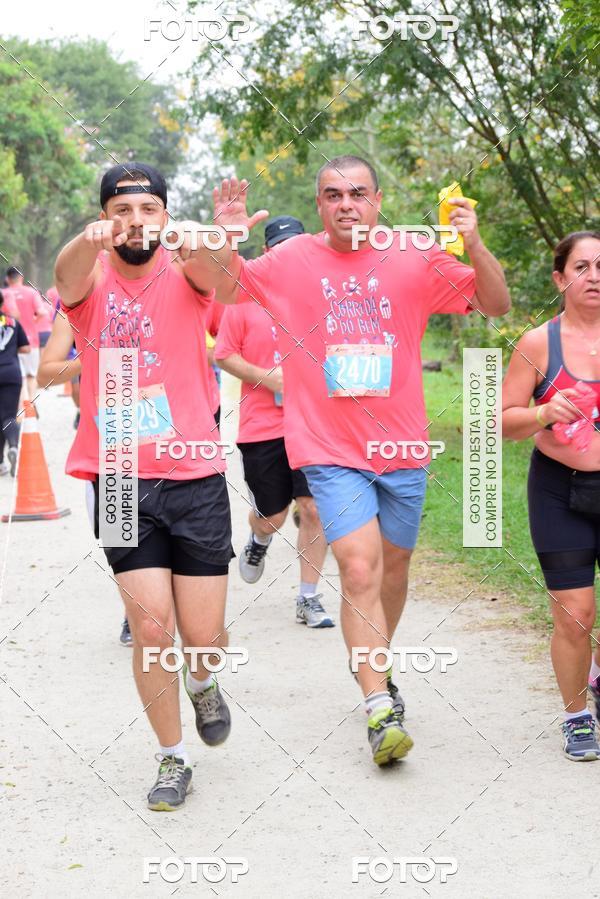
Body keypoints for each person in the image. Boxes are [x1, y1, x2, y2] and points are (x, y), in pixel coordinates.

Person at [191, 156, 511, 765]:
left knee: (393, 568)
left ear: (378, 200)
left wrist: (474, 242)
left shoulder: (411, 255)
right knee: (359, 568)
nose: (346, 204)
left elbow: (494, 303)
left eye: (358, 194)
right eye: (333, 194)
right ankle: (377, 704)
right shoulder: (291, 260)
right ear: (319, 205)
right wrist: (227, 234)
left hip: (403, 447)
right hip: (328, 447)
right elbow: (226, 290)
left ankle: (377, 661)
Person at [54, 162, 235, 810]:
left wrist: (213, 235)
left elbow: (224, 275)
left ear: (165, 215)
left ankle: (204, 681)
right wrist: (87, 240)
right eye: (121, 210)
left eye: (148, 209)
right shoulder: (91, 281)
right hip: (122, 476)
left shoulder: (189, 274)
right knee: (153, 627)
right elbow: (66, 276)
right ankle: (172, 755)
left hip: (196, 474)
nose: (136, 221)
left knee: (204, 637)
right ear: (105, 217)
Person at [502, 230, 600, 761]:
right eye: (582, 267)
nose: (595, 277)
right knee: (574, 612)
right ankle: (577, 715)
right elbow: (501, 421)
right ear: (561, 279)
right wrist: (543, 412)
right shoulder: (539, 343)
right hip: (560, 489)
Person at [215, 216, 332, 627]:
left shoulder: (326, 297)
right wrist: (272, 378)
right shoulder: (242, 299)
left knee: (313, 509)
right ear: (268, 253)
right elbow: (224, 354)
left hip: (315, 423)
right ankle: (259, 538)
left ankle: (308, 596)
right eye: (281, 248)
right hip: (263, 426)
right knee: (273, 514)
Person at [37, 312, 133, 647]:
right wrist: (88, 362)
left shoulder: (168, 283)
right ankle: (134, 613)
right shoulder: (81, 300)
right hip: (114, 433)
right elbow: (46, 374)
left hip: (168, 434)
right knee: (121, 537)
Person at [2, 267, 46, 401]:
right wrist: (33, 321)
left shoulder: (3, 293)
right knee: (31, 376)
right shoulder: (32, 292)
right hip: (31, 340)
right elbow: (42, 312)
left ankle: (22, 406)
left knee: (19, 377)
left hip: (9, 342)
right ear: (21, 277)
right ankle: (30, 406)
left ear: (7, 279)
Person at [0, 290, 30, 476]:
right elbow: (25, 348)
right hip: (11, 372)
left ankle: (1, 463)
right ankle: (13, 446)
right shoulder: (11, 321)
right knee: (9, 416)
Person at [47, 285, 81, 427]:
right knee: (75, 386)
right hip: (74, 348)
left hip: (100, 348)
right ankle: (81, 411)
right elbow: (58, 323)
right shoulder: (64, 297)